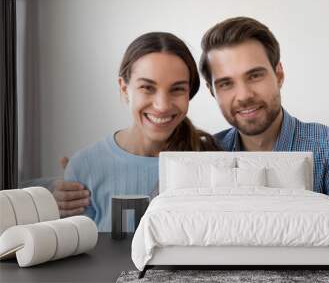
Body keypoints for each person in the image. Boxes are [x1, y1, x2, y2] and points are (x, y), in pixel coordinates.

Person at [199, 16, 329, 216]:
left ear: (279, 75)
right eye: (226, 83)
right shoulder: (203, 158)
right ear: (212, 91)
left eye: (255, 75)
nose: (244, 95)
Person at [61, 32, 219, 231]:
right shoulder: (84, 167)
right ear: (124, 88)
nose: (162, 106)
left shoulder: (210, 161)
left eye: (177, 89)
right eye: (147, 87)